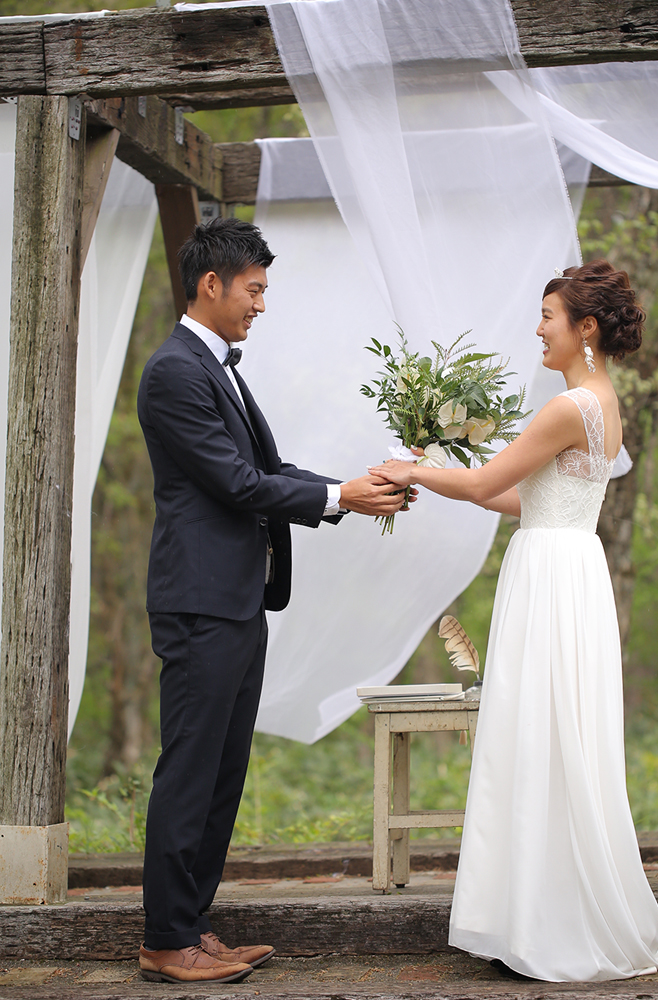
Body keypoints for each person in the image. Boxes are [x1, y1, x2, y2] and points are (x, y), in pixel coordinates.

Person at [369, 260, 658, 982]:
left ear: (585, 328)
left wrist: (413, 470)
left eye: (549, 317)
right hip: (569, 568)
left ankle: (546, 919)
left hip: (551, 578)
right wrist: (437, 468)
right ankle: (545, 910)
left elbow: (488, 481)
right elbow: (525, 498)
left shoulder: (567, 407)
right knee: (557, 736)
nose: (538, 329)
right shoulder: (601, 403)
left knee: (538, 733)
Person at [136, 217, 411, 985]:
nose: (261, 304)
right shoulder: (174, 372)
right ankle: (165, 939)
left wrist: (354, 488)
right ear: (211, 284)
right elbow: (235, 485)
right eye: (254, 290)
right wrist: (339, 498)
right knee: (191, 770)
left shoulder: (218, 368)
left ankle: (192, 925)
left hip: (238, 600)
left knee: (224, 771)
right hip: (200, 603)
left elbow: (267, 466)